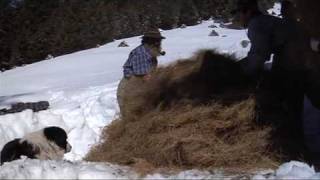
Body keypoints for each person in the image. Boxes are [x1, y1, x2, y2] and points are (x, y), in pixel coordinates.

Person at [117, 29, 166, 118]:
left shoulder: (149, 52)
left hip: (136, 88)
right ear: (152, 42)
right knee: (132, 118)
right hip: (128, 91)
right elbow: (146, 77)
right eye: (158, 41)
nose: (159, 44)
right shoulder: (141, 54)